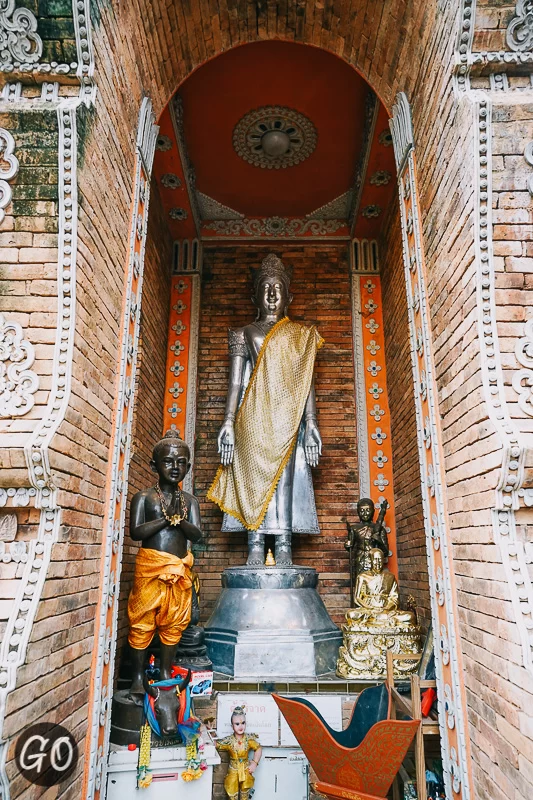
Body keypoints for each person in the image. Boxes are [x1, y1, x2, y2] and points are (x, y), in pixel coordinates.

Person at [208, 253, 323, 566]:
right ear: (254, 295)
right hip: (252, 420)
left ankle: (284, 544)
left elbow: (306, 383)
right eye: (266, 288)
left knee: (285, 481)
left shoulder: (302, 336)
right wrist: (228, 423)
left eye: (278, 288)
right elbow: (235, 385)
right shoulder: (244, 333)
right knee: (251, 479)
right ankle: (255, 544)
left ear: (289, 296)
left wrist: (311, 423)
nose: (272, 294)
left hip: (287, 420)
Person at [127, 431, 202, 702]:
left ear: (188, 467)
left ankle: (164, 672)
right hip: (151, 569)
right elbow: (136, 532)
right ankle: (137, 678)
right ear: (153, 466)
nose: (175, 467)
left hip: (179, 570)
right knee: (142, 624)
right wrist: (165, 520)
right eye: (168, 462)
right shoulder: (144, 497)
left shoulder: (190, 501)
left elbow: (196, 535)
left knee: (173, 624)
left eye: (181, 462)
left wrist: (180, 521)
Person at [216, 706, 262, 800]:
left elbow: (258, 748)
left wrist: (254, 763)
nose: (240, 726)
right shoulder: (229, 740)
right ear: (232, 726)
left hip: (246, 770)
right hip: (233, 770)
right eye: (237, 724)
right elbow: (217, 744)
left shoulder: (249, 739)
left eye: (243, 723)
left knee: (245, 795)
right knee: (232, 795)